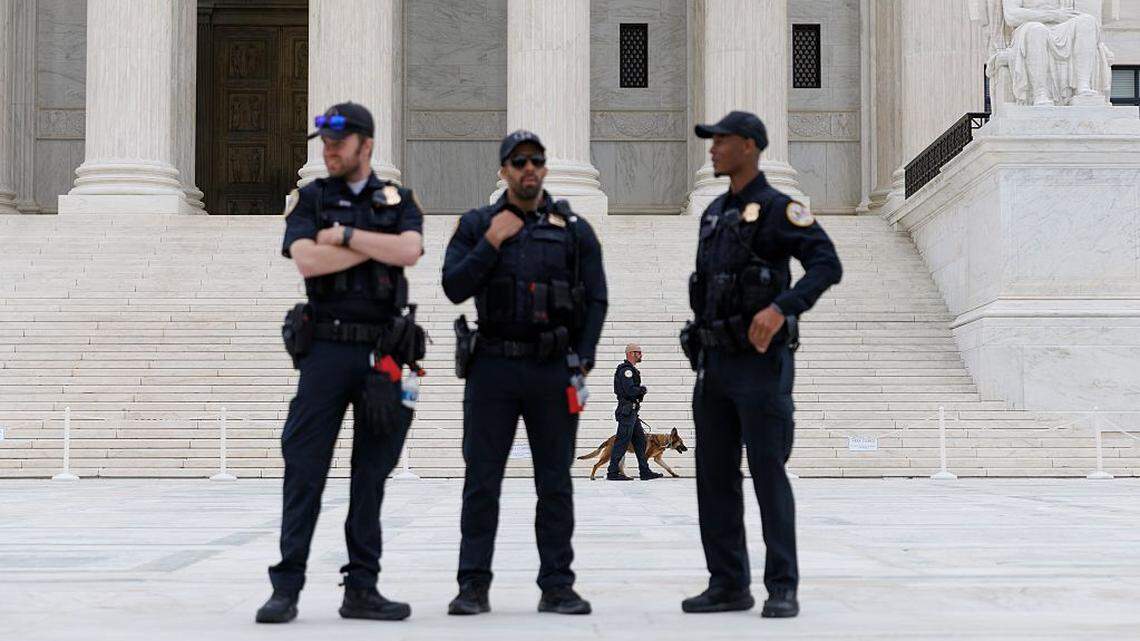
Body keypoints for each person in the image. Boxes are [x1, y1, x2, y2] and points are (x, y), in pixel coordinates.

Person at [257, 102, 425, 624]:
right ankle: (286, 587)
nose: (329, 152)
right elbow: (305, 258)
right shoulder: (312, 197)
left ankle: (363, 587)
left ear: (366, 145)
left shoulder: (398, 198)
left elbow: (411, 251)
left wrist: (346, 237)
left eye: (339, 143)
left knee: (371, 474)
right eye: (325, 144)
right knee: (304, 470)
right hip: (325, 350)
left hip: (383, 353)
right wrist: (378, 247)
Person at [679, 111, 842, 618]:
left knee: (768, 473)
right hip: (714, 363)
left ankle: (782, 586)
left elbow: (826, 264)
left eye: (721, 140)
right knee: (714, 476)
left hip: (760, 364)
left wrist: (781, 309)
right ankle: (728, 583)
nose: (712, 148)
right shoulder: (713, 213)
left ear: (749, 146)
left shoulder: (778, 208)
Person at [441, 130, 607, 616]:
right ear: (503, 170)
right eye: (518, 161)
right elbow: (453, 286)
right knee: (482, 479)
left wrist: (585, 356)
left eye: (536, 161)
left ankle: (557, 584)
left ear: (545, 169)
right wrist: (491, 243)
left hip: (552, 368)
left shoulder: (573, 228)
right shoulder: (477, 224)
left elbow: (595, 297)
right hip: (492, 366)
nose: (528, 168)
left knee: (554, 481)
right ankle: (473, 585)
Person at [606, 343, 662, 481]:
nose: (641, 355)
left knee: (640, 441)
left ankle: (644, 471)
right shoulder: (626, 370)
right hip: (627, 411)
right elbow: (629, 390)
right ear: (631, 353)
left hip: (632, 412)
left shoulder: (631, 370)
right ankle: (612, 472)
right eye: (639, 352)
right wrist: (642, 390)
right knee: (622, 441)